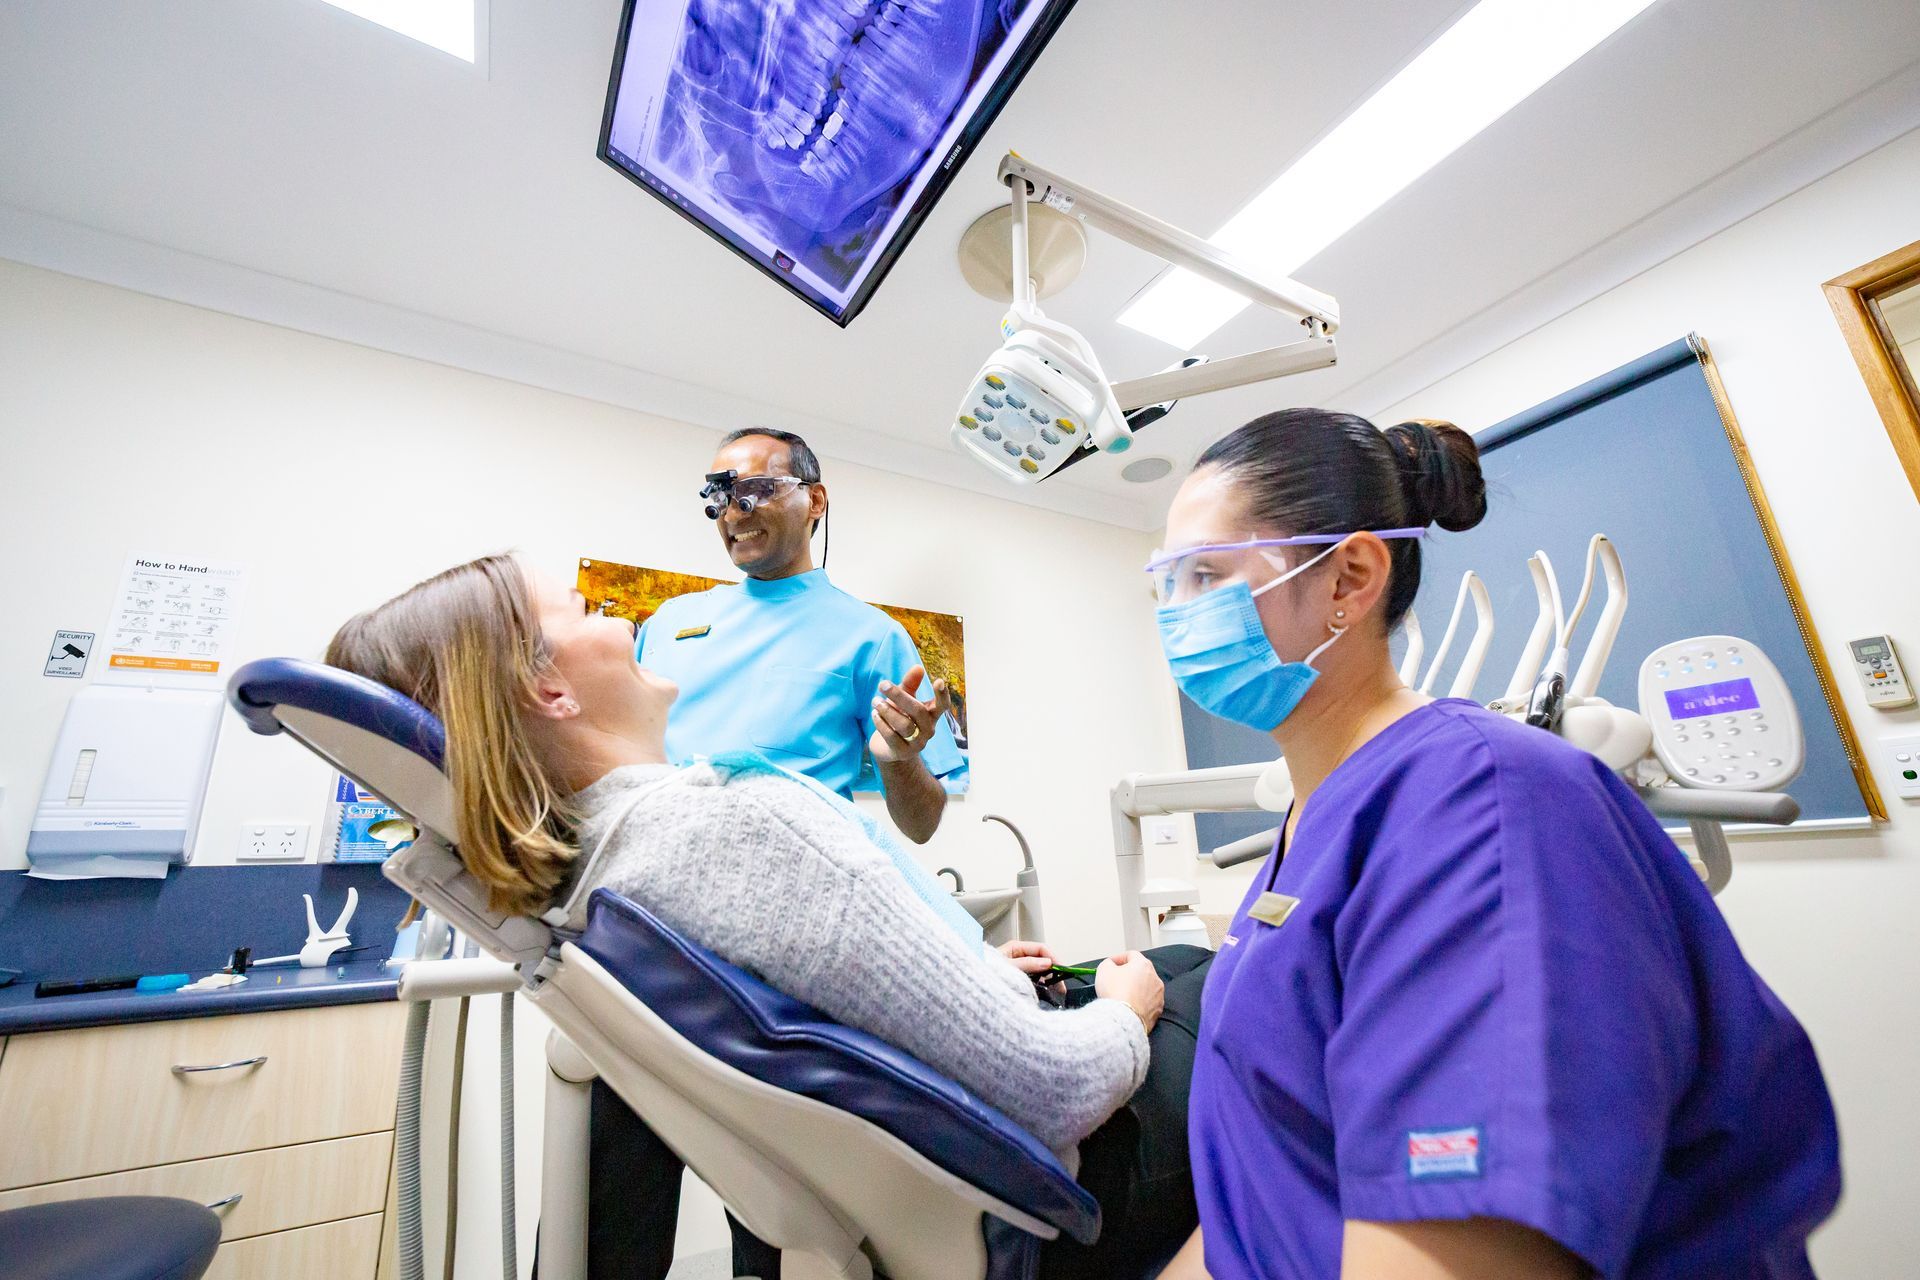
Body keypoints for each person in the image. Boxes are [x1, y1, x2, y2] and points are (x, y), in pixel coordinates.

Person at [325, 554, 1204, 1280]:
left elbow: (807, 998)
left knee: (1174, 959)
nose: (623, 623)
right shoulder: (735, 822)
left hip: (902, 1209)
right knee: (1224, 970)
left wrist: (963, 976)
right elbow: (1057, 1093)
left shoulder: (604, 871)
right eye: (588, 611)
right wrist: (1127, 1014)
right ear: (548, 690)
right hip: (1059, 1210)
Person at [1149, 410, 1841, 1280]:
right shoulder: (1309, 823)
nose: (1176, 618)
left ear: (1349, 577)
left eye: (1205, 575)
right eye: (1166, 587)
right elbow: (1258, 1191)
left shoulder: (1482, 804)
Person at [636, 427, 963, 844]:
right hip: (653, 879)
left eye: (756, 488)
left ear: (814, 500)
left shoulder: (872, 637)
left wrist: (897, 760)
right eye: (721, 495)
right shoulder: (667, 623)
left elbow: (922, 826)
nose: (735, 513)